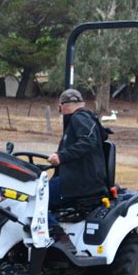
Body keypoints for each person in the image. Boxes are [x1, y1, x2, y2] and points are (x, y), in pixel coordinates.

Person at [47, 89, 107, 232]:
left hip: (79, 182)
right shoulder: (82, 120)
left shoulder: (79, 118)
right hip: (77, 178)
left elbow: (88, 141)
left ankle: (56, 236)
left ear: (63, 106)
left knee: (34, 200)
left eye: (59, 108)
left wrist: (61, 156)